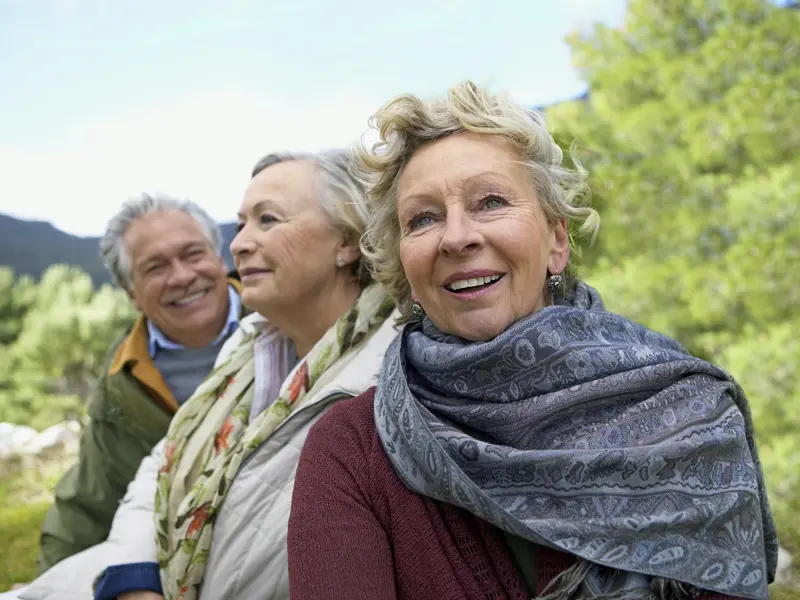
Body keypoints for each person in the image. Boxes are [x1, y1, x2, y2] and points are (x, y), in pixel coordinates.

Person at [287, 82, 778, 600]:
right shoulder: (352, 448)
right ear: (405, 264)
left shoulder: (690, 414)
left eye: (491, 201)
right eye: (423, 218)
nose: (457, 237)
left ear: (556, 242)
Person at [16, 149, 398, 600]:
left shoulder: (391, 377)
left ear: (347, 240)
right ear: (131, 294)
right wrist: (131, 580)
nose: (237, 244)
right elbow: (149, 476)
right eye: (241, 225)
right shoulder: (246, 351)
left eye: (268, 220)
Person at [36, 194, 245, 575]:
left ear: (219, 259)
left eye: (193, 254)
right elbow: (87, 505)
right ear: (132, 293)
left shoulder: (283, 316)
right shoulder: (121, 385)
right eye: (155, 267)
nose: (182, 276)